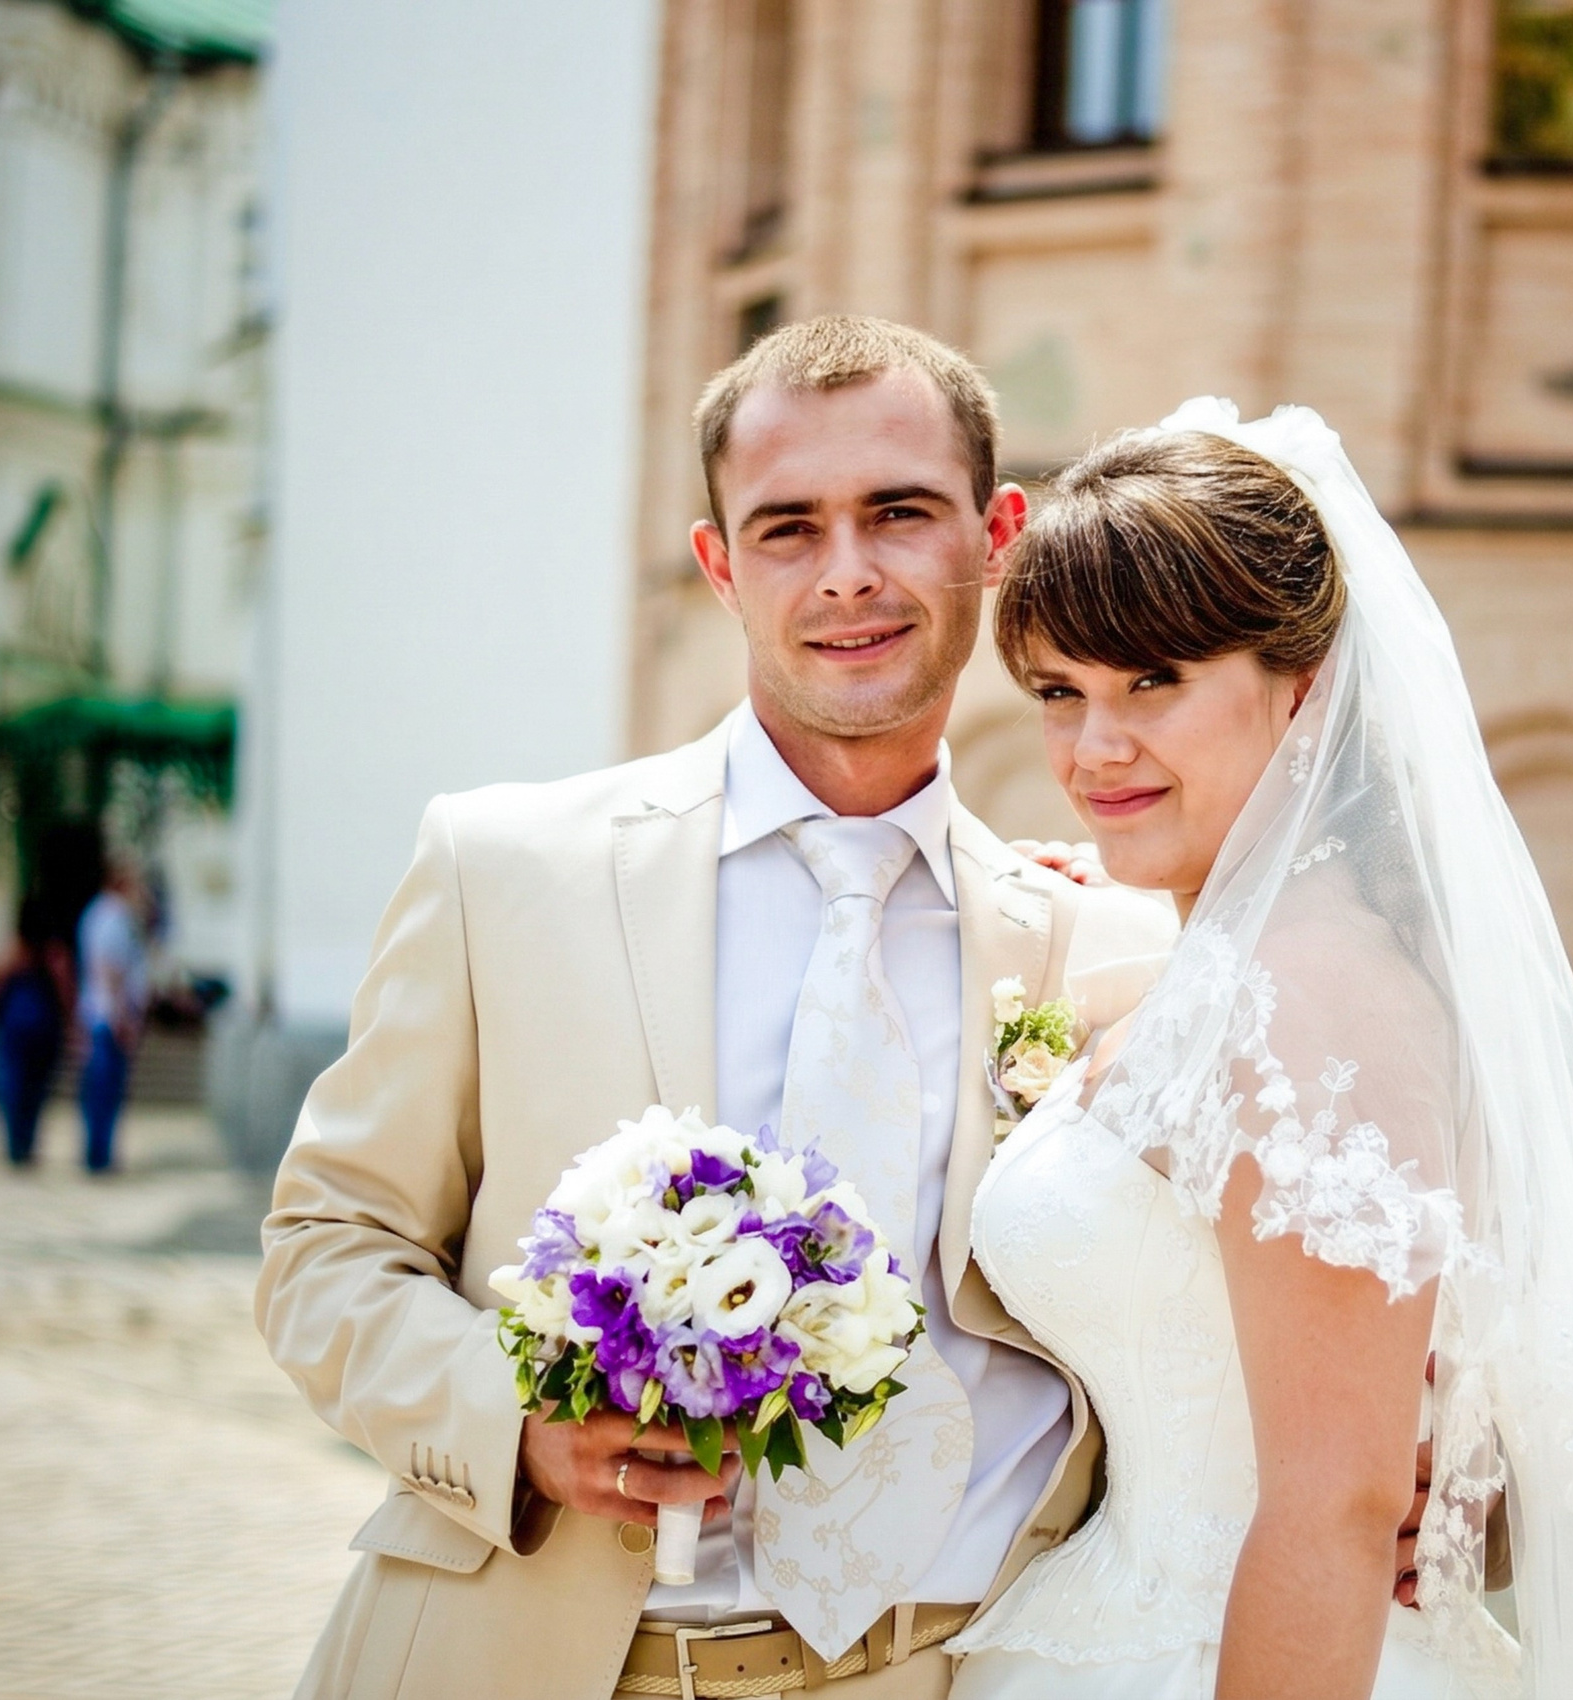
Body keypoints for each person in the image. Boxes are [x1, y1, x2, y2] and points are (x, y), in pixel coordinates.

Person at [255, 317, 1187, 1700]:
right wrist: (516, 1424)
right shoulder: (501, 869)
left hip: (939, 1674)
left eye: (900, 514)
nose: (849, 575)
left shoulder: (1103, 946)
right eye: (788, 529)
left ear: (997, 532)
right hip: (526, 1661)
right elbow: (327, 1247)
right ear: (720, 566)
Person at [947, 404, 1573, 1698]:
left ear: (1301, 691)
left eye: (1155, 682)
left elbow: (1337, 1511)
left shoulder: (1314, 992)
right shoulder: (1222, 957)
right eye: (1061, 694)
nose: (1096, 749)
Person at [0, 892, 75, 1167]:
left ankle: (17, 1143)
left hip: (14, 1025)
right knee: (36, 1087)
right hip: (44, 1024)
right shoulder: (53, 951)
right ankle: (26, 1141)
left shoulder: (15, 948)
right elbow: (65, 989)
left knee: (11, 1084)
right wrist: (71, 1023)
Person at [74, 853, 150, 1174]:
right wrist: (124, 1016)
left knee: (98, 1089)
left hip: (98, 1013)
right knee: (106, 1090)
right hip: (110, 1016)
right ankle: (99, 1155)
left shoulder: (95, 913)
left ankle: (97, 1152)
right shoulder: (114, 915)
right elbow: (113, 968)